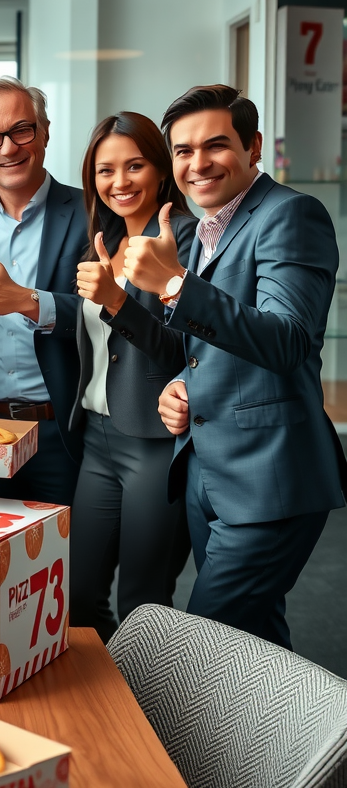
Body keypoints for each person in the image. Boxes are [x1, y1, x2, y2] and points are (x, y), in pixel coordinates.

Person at [123, 84, 346, 649]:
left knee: (203, 645)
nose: (197, 164)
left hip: (269, 476)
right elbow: (205, 346)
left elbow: (288, 340)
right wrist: (178, 385)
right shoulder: (203, 229)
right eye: (182, 151)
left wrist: (174, 285)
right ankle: (296, 738)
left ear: (253, 147)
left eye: (215, 146)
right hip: (209, 471)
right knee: (255, 643)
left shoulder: (291, 214)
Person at [69, 112, 196, 641]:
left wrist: (118, 302)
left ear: (161, 170)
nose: (119, 182)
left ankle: (148, 719)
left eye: (134, 166)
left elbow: (184, 351)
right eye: (105, 171)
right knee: (76, 595)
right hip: (97, 438)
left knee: (144, 600)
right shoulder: (105, 237)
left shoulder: (185, 240)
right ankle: (105, 708)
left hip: (153, 440)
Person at [0, 77, 86, 505]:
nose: (8, 148)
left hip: (62, 428)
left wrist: (27, 301)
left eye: (21, 130)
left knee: (66, 564)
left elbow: (113, 313)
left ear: (44, 132)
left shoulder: (91, 213)